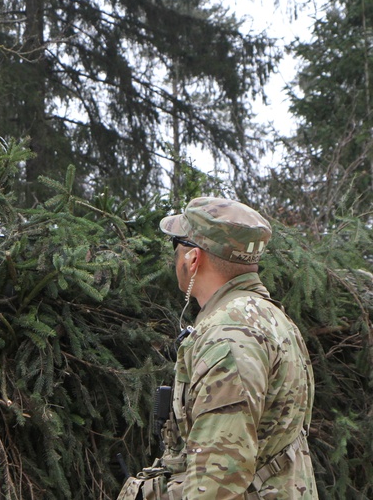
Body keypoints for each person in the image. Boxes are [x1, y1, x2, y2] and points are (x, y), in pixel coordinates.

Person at [119, 197, 317, 500]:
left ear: (193, 259)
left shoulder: (228, 337)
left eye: (177, 245)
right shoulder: (275, 320)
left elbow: (216, 483)